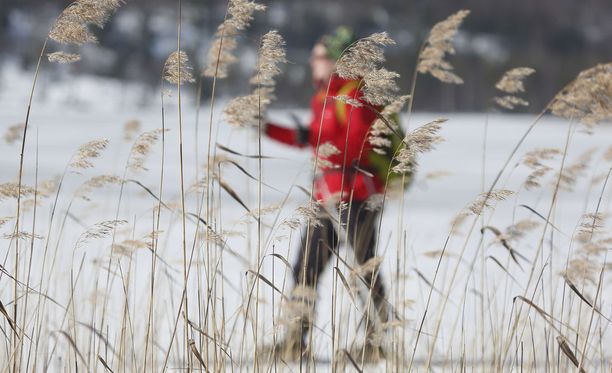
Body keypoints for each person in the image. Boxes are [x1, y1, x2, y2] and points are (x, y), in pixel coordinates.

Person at [262, 26, 390, 363]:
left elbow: (362, 142)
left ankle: (377, 342)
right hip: (326, 196)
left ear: (336, 60)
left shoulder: (358, 94)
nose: (312, 61)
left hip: (357, 194)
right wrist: (265, 127)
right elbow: (313, 137)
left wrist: (321, 142)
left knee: (364, 268)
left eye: (319, 56)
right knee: (306, 266)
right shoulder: (323, 97)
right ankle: (294, 340)